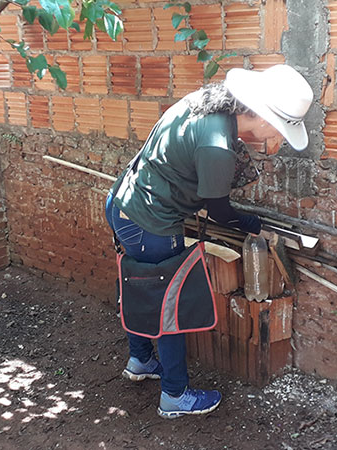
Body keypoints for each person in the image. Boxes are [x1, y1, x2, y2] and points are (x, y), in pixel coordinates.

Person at [104, 64, 313, 419]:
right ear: (263, 119)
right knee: (169, 305)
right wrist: (251, 224)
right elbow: (218, 211)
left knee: (139, 287)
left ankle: (140, 360)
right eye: (278, 130)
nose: (274, 138)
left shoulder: (205, 102)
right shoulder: (218, 144)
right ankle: (175, 395)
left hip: (123, 204)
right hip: (150, 223)